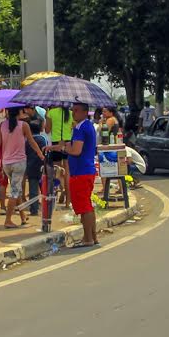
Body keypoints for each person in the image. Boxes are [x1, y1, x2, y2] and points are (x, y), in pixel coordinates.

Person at [0, 107, 46, 228]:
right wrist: (40, 154)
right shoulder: (24, 125)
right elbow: (31, 142)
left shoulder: (2, 125)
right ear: (19, 112)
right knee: (15, 191)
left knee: (17, 189)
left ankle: (22, 216)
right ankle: (8, 220)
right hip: (18, 162)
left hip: (6, 162)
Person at [60, 101, 99, 246]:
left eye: (76, 110)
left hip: (81, 172)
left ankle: (88, 238)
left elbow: (76, 150)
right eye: (73, 110)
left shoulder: (80, 128)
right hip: (85, 170)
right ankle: (91, 236)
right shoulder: (86, 126)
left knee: (84, 207)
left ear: (84, 112)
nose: (73, 113)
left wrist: (64, 149)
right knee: (87, 205)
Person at [24, 115, 50, 217]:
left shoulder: (27, 140)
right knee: (45, 188)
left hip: (30, 166)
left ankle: (33, 209)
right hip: (41, 166)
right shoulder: (42, 139)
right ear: (40, 129)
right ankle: (47, 207)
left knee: (33, 189)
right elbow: (46, 152)